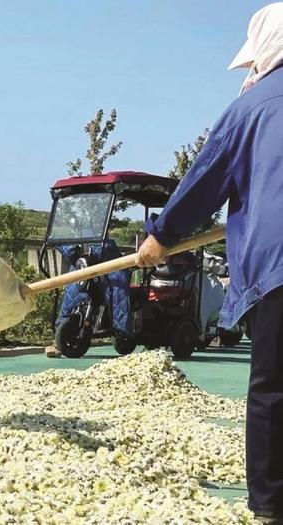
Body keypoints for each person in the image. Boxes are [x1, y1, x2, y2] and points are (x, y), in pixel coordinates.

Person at [135, 4, 283, 521]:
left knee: (272, 388)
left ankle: (270, 505)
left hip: (278, 267)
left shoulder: (250, 109)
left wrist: (161, 236)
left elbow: (202, 184)